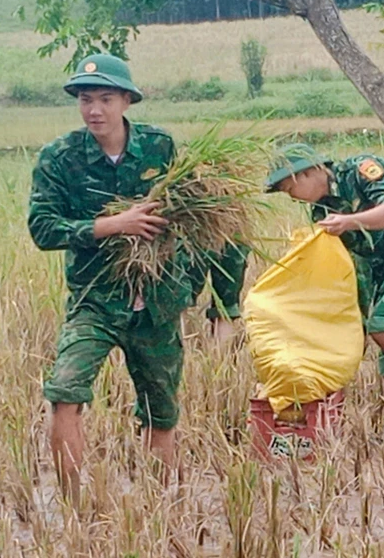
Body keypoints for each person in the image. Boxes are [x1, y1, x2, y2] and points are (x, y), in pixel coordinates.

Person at [28, 53, 242, 495]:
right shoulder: (60, 157)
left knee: (160, 411)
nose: (94, 110)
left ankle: (160, 505)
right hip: (95, 299)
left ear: (126, 100)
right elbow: (43, 229)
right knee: (65, 391)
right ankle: (73, 507)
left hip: (157, 302)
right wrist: (111, 226)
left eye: (105, 99)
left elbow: (200, 221)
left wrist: (218, 300)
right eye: (86, 100)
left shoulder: (160, 148)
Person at [265, 144, 384, 430]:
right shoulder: (320, 212)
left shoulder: (361, 171)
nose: (291, 198)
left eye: (288, 189)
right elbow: (351, 262)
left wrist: (350, 222)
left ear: (307, 173)